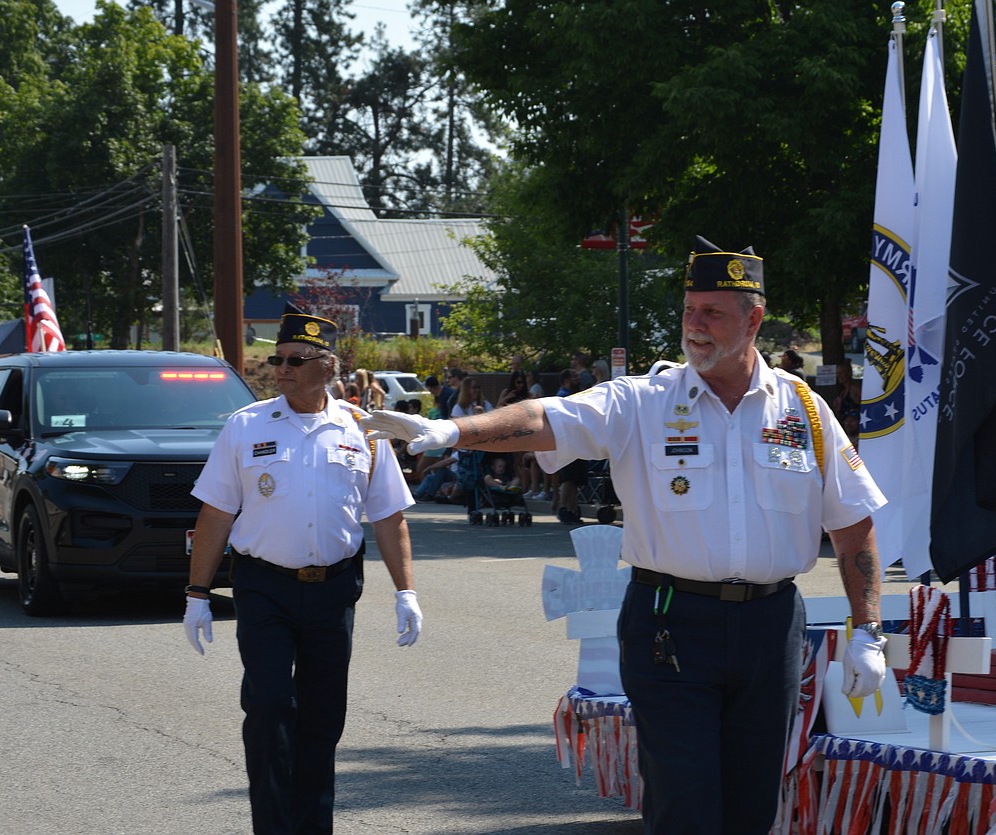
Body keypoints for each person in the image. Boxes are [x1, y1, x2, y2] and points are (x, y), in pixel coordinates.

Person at [364, 237, 887, 834]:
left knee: (753, 807)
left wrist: (867, 631)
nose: (695, 326)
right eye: (689, 311)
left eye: (713, 313)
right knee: (684, 804)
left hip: (770, 628)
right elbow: (544, 418)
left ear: (755, 320)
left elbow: (853, 524)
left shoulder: (805, 413)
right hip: (671, 621)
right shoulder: (643, 401)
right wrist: (451, 430)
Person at [183, 310, 423, 835]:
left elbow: (388, 515)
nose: (281, 369)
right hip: (264, 586)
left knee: (321, 720)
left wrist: (406, 592)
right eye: (278, 359)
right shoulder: (246, 427)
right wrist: (198, 594)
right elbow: (215, 514)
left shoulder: (363, 430)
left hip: (334, 590)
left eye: (295, 360)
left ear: (327, 367)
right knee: (269, 707)